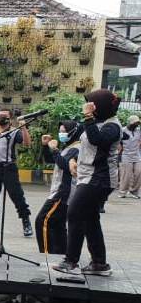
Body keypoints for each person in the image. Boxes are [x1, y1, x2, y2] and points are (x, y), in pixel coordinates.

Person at [53, 90, 123, 276]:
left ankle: (71, 261)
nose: (89, 107)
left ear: (99, 106)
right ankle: (99, 263)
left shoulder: (112, 126)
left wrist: (88, 117)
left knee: (74, 213)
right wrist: (73, 160)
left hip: (100, 178)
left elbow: (97, 140)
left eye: (92, 105)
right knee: (90, 219)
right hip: (89, 176)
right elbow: (87, 146)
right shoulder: (98, 122)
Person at [34, 122, 79, 255]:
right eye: (60, 131)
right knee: (58, 225)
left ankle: (46, 255)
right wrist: (45, 146)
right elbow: (52, 160)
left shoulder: (76, 148)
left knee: (43, 220)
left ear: (73, 132)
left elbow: (65, 166)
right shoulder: (68, 147)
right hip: (61, 190)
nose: (61, 134)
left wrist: (55, 150)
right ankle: (61, 255)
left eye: (64, 131)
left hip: (63, 192)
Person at [118, 115, 140, 199]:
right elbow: (118, 143)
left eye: (137, 123)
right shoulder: (122, 130)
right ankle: (122, 192)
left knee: (139, 173)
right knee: (126, 175)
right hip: (126, 155)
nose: (136, 125)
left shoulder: (139, 131)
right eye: (135, 123)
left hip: (137, 155)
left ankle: (133, 191)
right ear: (130, 123)